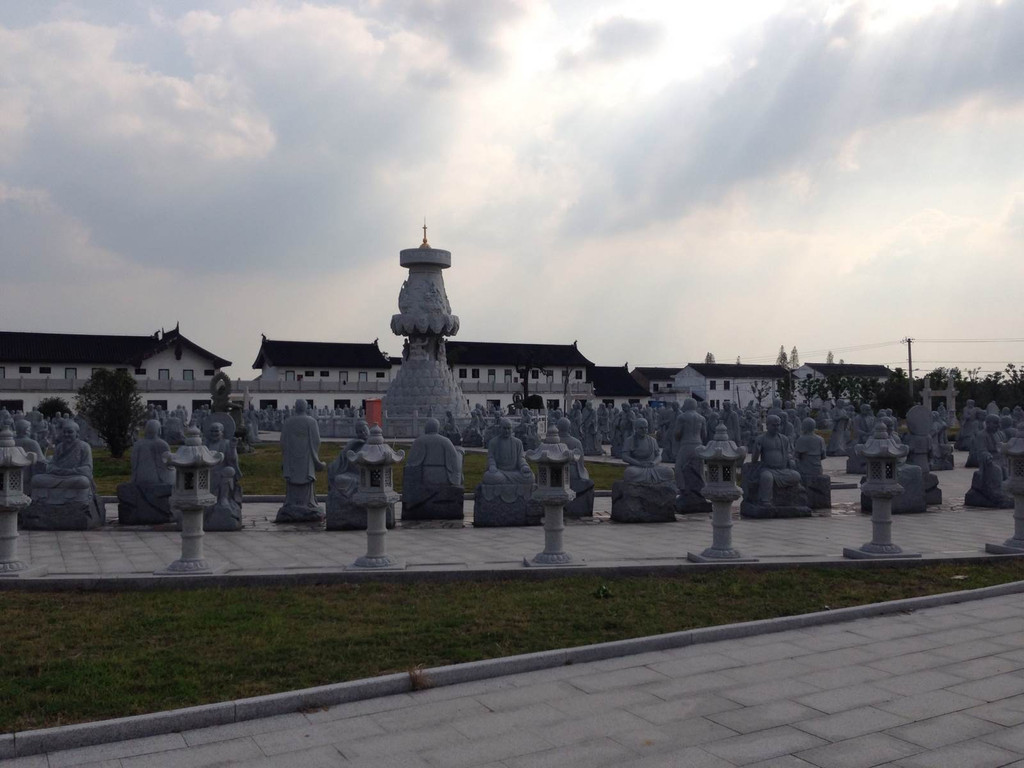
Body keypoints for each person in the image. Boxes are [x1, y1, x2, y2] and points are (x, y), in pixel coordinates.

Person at [278, 399, 327, 521]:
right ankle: (308, 504)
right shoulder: (311, 421)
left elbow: (283, 441)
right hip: (307, 457)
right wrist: (313, 452)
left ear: (295, 407)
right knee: (306, 478)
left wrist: (287, 454)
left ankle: (292, 504)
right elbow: (316, 441)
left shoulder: (288, 422)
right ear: (306, 407)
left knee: (293, 480)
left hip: (292, 458)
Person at [750, 414, 803, 504]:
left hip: (782, 470)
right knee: (766, 478)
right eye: (773, 425)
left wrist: (791, 460)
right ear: (767, 425)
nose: (776, 427)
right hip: (768, 469)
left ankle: (791, 499)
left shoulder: (784, 439)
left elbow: (788, 454)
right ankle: (766, 500)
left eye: (778, 425)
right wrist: (757, 451)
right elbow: (754, 460)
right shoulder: (761, 439)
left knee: (796, 475)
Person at [621, 418, 675, 485]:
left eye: (646, 428)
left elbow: (658, 456)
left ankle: (647, 479)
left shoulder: (652, 440)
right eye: (641, 428)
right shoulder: (630, 440)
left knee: (669, 472)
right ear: (635, 428)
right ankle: (650, 479)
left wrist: (654, 463)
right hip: (638, 468)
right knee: (629, 473)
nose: (644, 430)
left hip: (652, 468)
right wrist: (639, 463)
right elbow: (625, 456)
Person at [482, 419, 533, 485]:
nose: (507, 431)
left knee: (530, 476)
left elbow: (521, 458)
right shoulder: (493, 442)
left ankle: (506, 481)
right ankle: (507, 481)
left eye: (509, 428)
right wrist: (492, 466)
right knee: (489, 476)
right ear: (500, 428)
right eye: (504, 428)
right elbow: (490, 457)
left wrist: (524, 466)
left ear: (512, 429)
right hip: (499, 472)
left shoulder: (518, 442)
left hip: (514, 472)